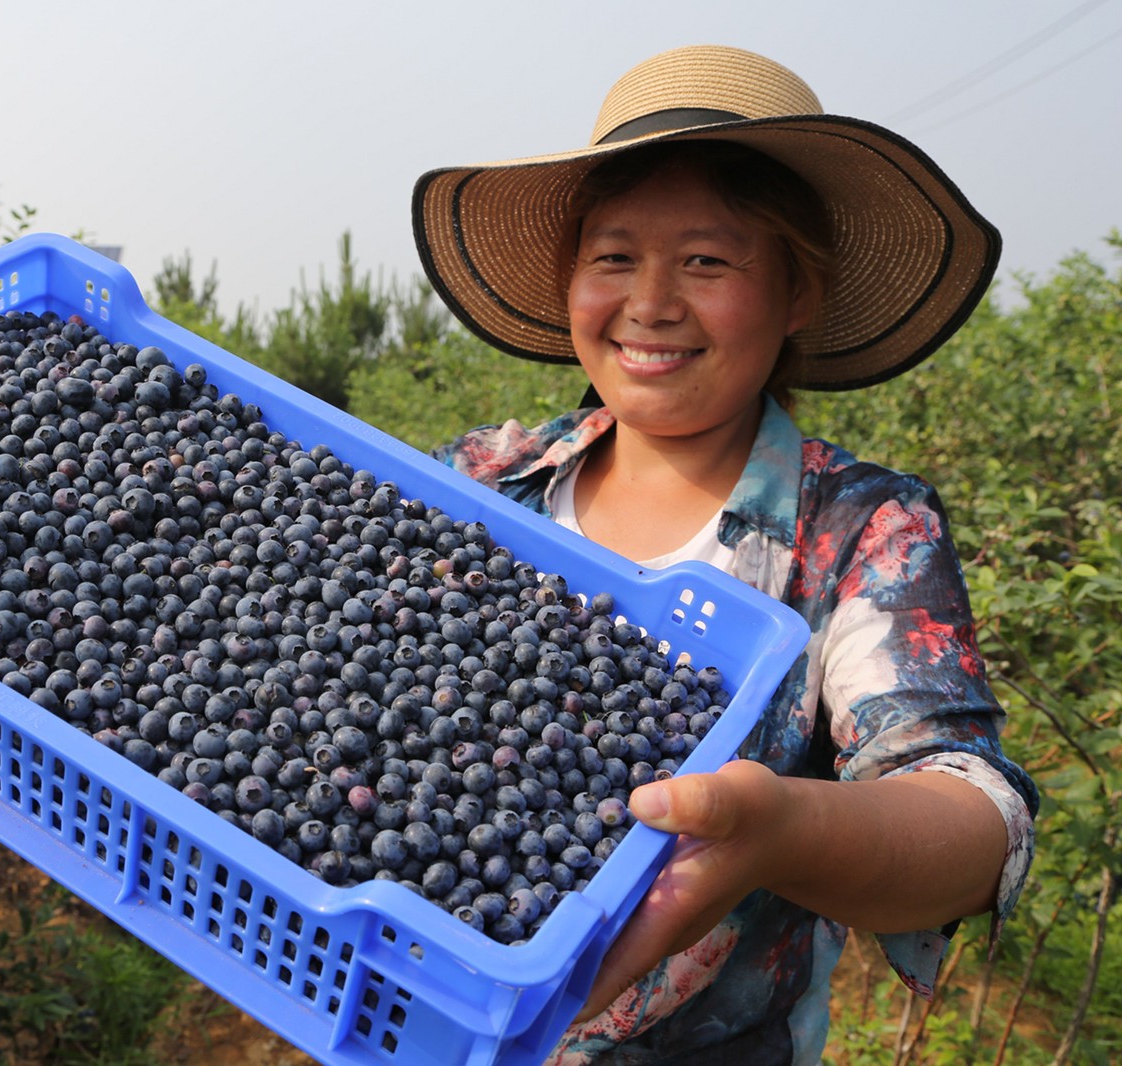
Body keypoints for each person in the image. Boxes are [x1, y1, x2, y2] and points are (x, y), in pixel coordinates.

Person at [410, 45, 1039, 1064]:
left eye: (706, 261)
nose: (651, 303)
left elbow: (969, 814)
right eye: (612, 257)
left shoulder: (857, 531)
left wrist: (781, 830)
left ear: (796, 295)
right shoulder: (480, 483)